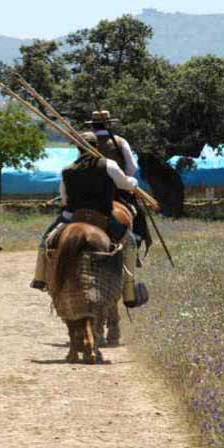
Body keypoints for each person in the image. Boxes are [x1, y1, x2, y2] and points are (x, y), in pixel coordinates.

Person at [30, 146, 146, 308]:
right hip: (102, 215)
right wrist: (133, 182)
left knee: (46, 240)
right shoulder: (109, 165)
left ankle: (40, 278)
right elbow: (125, 184)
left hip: (74, 215)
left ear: (79, 149)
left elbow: (64, 199)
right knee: (131, 243)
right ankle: (129, 294)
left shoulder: (67, 169)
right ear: (96, 147)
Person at [81, 110, 152, 253]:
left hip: (90, 190)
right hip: (117, 189)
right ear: (108, 124)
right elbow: (132, 167)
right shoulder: (120, 141)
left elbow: (81, 165)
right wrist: (123, 179)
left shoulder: (85, 142)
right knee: (137, 213)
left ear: (93, 125)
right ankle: (136, 242)